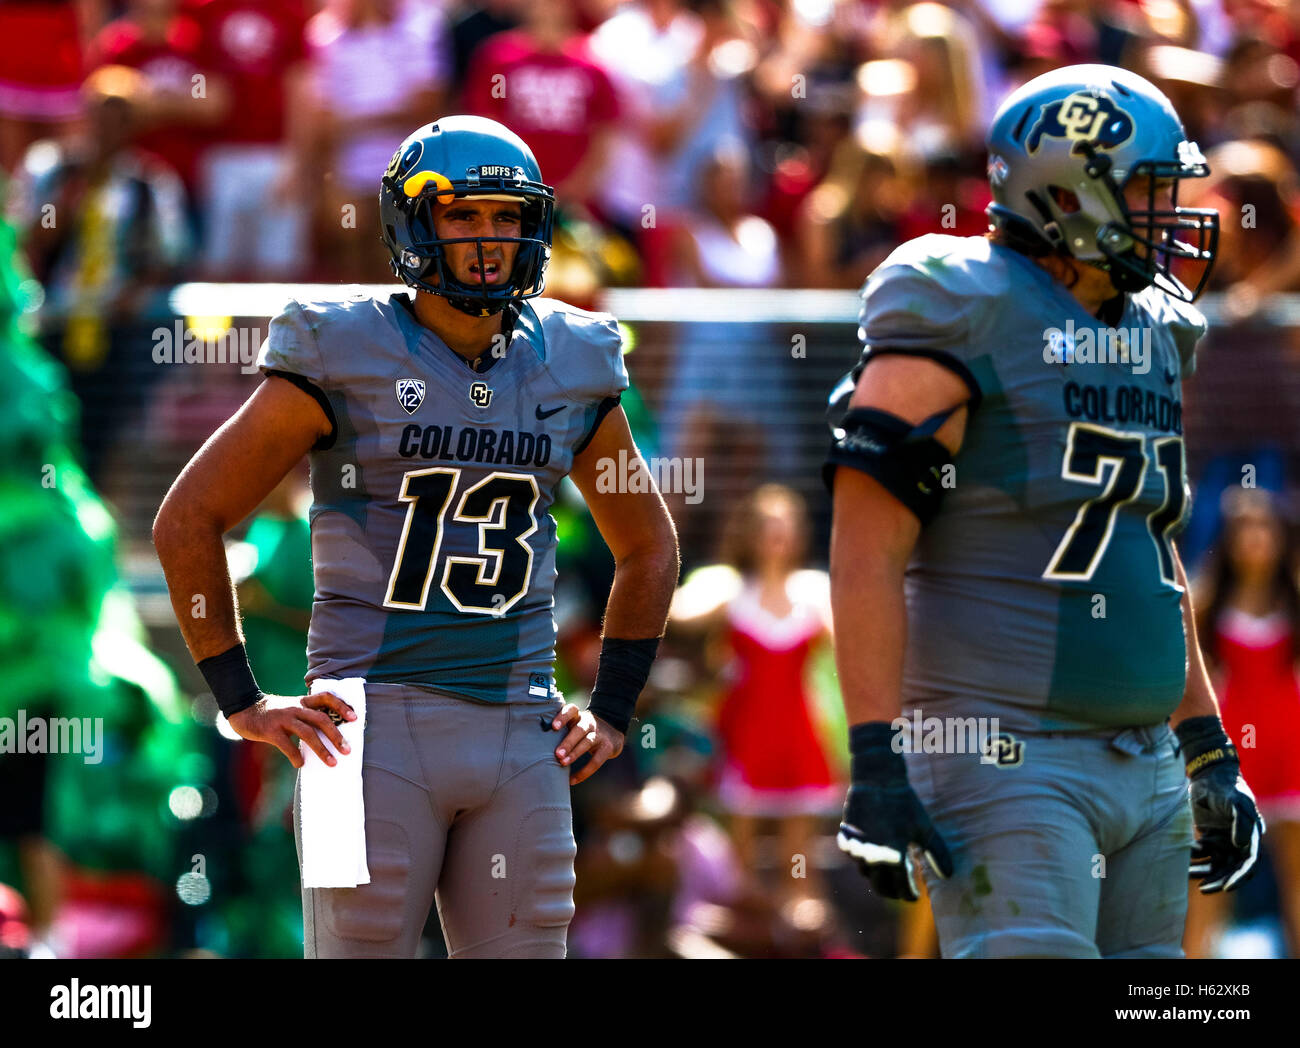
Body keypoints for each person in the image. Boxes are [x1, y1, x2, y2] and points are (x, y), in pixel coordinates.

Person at [153, 115, 680, 958]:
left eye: (506, 217)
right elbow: (189, 518)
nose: (487, 238)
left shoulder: (573, 358)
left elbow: (649, 546)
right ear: (412, 223)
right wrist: (242, 700)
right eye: (462, 215)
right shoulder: (342, 346)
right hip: (359, 736)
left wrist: (613, 706)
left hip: (519, 730)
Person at [824, 64, 1264, 958]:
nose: (1171, 211)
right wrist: (874, 756)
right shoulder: (964, 304)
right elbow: (866, 548)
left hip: (1144, 763)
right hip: (1007, 755)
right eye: (1147, 188)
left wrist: (1209, 745)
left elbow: (1147, 554)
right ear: (1065, 189)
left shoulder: (1151, 328)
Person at [1187, 489, 1300, 957]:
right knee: (1211, 887)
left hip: (1291, 759)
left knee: (1296, 883)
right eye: (1243, 529)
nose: (1255, 539)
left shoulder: (1296, 606)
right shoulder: (1205, 607)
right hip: (1230, 764)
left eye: (1265, 527)